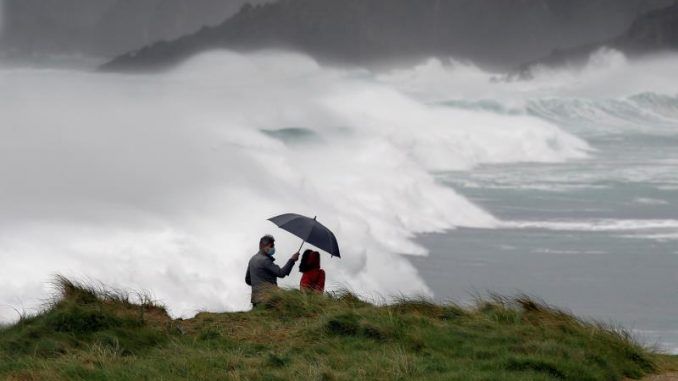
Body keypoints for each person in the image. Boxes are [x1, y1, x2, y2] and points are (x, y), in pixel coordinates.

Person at [245, 234, 300, 306]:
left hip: (256, 299)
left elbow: (248, 279)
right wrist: (292, 260)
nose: (273, 248)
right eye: (271, 246)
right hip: (268, 299)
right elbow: (281, 273)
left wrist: (257, 285)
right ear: (263, 246)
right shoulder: (265, 260)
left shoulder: (252, 259)